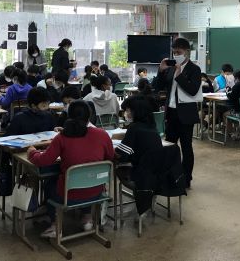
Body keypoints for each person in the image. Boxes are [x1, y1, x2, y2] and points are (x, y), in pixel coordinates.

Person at [28, 100, 114, 238]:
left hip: (68, 196)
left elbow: (43, 161)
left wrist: (32, 152)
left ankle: (55, 224)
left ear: (69, 116)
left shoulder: (63, 137)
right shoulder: (102, 134)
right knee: (88, 177)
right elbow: (110, 157)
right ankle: (87, 218)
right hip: (97, 192)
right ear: (89, 116)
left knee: (50, 183)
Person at [156, 37, 202, 189]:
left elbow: (193, 90)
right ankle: (170, 175)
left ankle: (186, 178)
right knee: (170, 146)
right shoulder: (170, 68)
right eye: (174, 52)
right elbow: (158, 86)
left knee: (186, 148)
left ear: (187, 52)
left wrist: (179, 74)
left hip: (186, 115)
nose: (176, 55)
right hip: (171, 113)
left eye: (179, 52)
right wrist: (161, 71)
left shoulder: (194, 69)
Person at [115, 96, 163, 183]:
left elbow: (121, 156)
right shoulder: (152, 126)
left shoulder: (134, 128)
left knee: (117, 168)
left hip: (142, 175)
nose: (125, 114)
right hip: (157, 173)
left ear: (136, 111)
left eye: (127, 110)